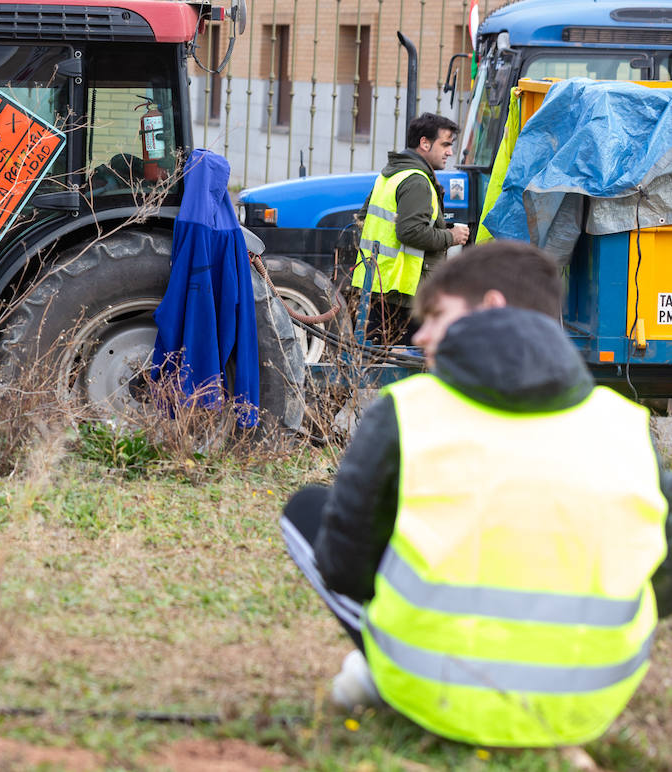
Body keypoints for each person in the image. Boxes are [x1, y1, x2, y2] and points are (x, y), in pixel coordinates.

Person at [283, 241, 672, 747]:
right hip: (588, 703)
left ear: (491, 308)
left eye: (437, 315)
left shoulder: (409, 410)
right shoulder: (627, 426)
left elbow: (344, 568)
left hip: (432, 695)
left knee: (306, 510)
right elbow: (663, 581)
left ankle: (381, 672)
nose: (420, 335)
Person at [351, 113, 471, 344]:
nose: (450, 152)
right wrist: (450, 236)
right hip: (405, 293)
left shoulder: (391, 175)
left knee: (372, 361)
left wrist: (436, 227)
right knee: (411, 363)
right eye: (445, 144)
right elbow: (409, 232)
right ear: (424, 143)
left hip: (378, 283)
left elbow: (364, 220)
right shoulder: (417, 181)